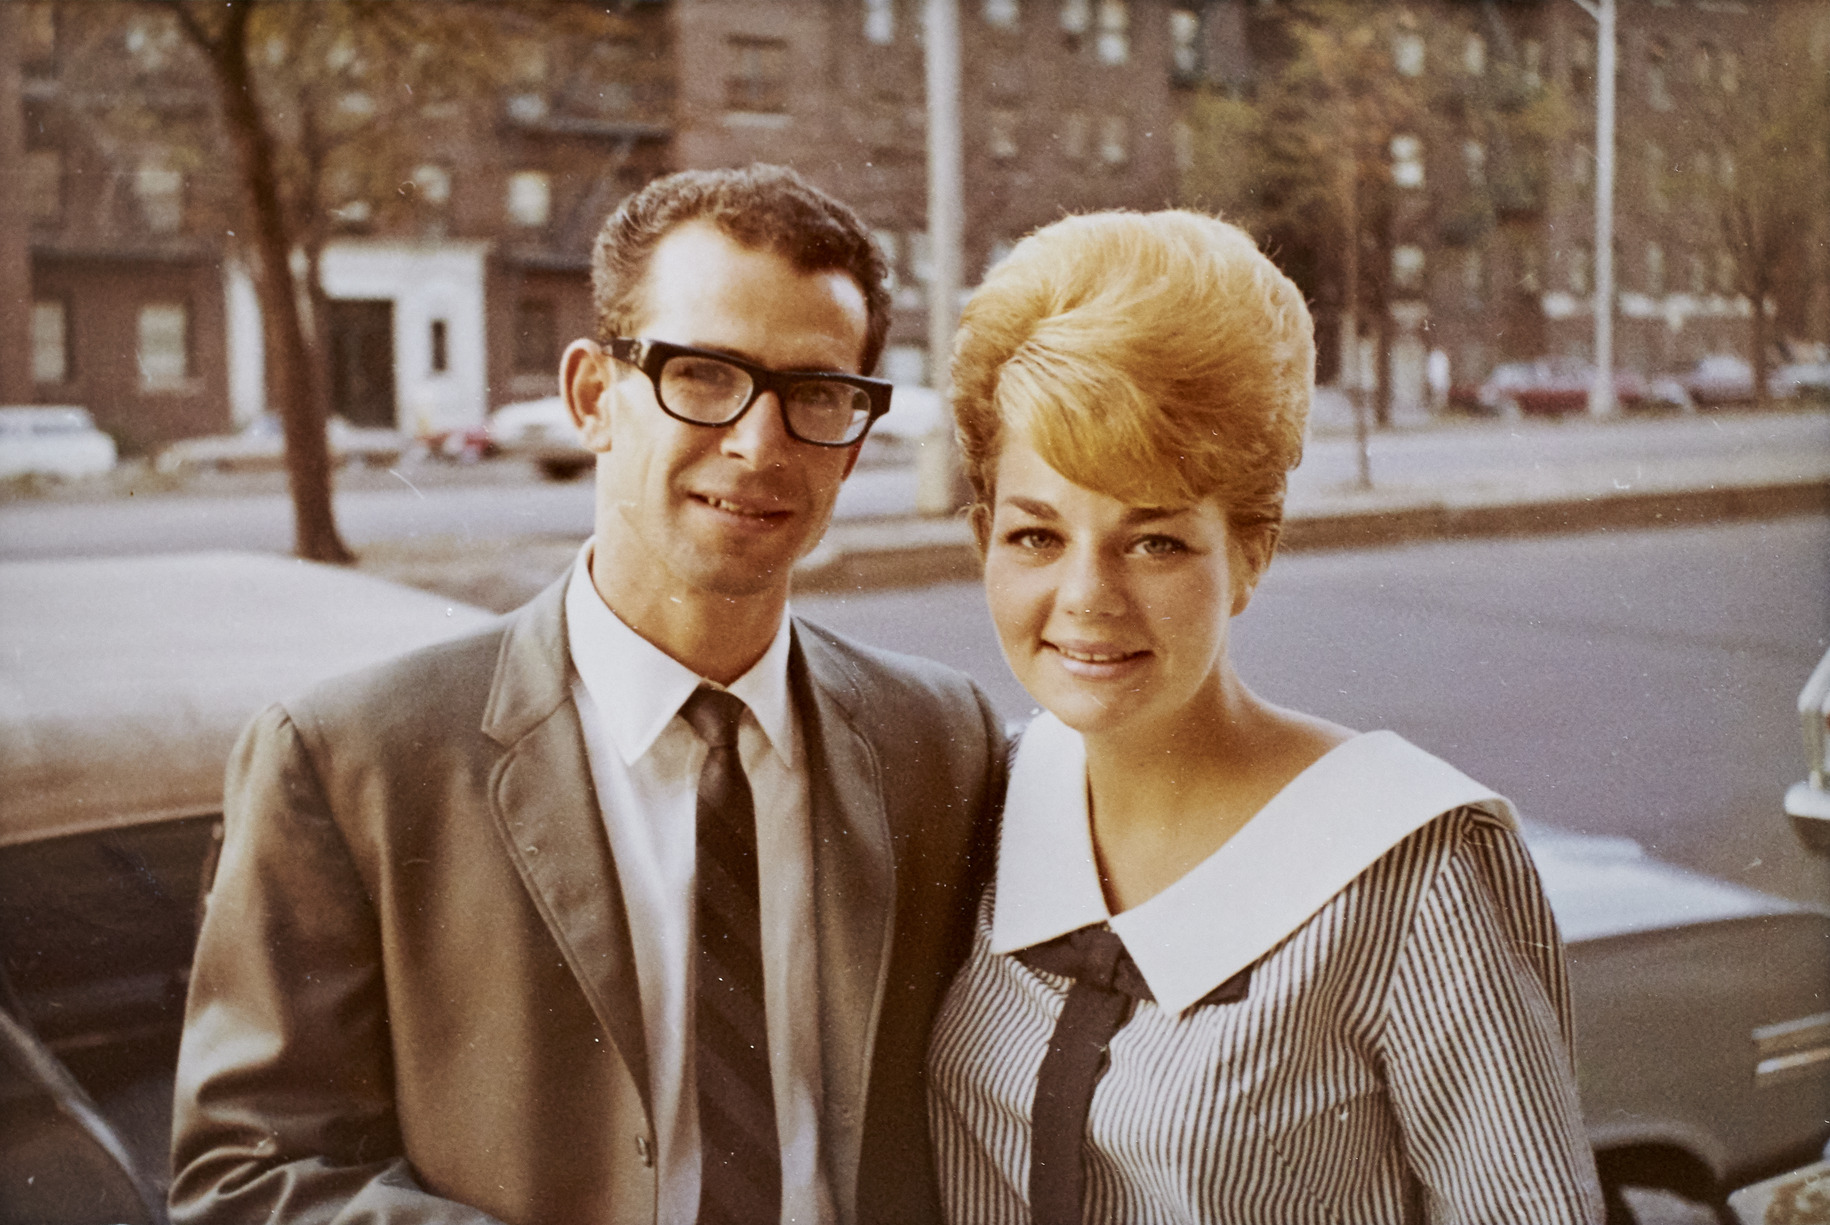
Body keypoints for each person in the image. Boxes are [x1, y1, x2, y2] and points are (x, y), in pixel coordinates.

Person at [169, 165, 1007, 1225]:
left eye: (817, 395)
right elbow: (249, 1177)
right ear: (590, 398)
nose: (759, 442)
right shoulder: (351, 759)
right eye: (703, 374)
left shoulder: (938, 736)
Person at [926, 210, 1605, 1225]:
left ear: (1251, 550)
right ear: (984, 538)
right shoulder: (983, 804)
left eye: (1154, 542)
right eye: (1035, 534)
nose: (1086, 597)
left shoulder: (1409, 873)